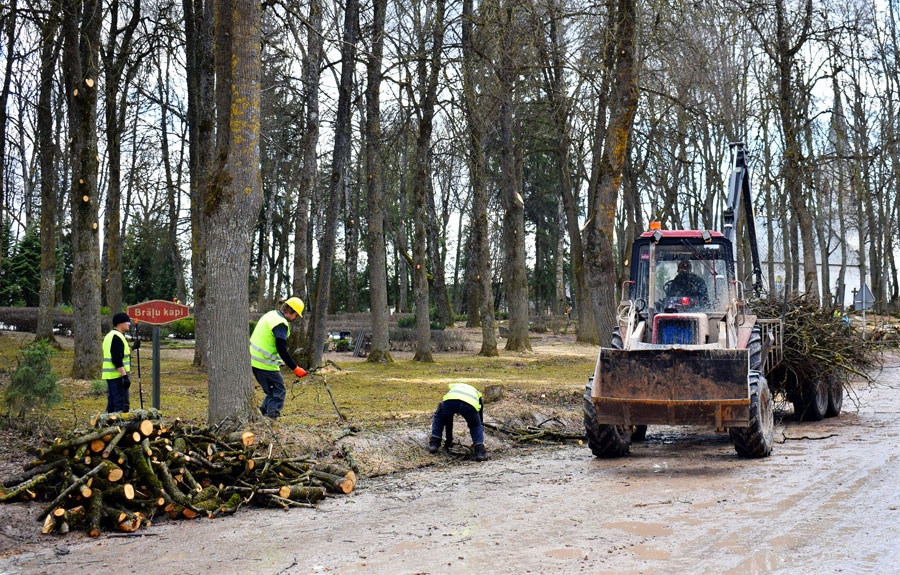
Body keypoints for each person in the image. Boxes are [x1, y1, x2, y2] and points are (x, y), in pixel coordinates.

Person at [249, 297, 309, 419]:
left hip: (254, 361)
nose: (296, 318)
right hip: (265, 365)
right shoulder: (280, 324)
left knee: (272, 391)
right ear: (290, 311)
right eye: (296, 315)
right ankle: (271, 418)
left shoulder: (271, 315)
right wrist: (295, 368)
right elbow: (281, 349)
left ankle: (261, 415)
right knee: (278, 391)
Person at [429, 383, 487, 461]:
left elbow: (448, 420)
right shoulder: (477, 393)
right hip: (469, 405)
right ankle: (479, 451)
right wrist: (480, 424)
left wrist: (448, 440)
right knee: (475, 426)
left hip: (450, 402)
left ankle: (434, 443)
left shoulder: (453, 389)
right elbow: (479, 415)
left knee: (439, 417)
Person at [102, 312, 132, 413]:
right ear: (120, 323)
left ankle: (108, 424)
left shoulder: (110, 336)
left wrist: (133, 348)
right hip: (117, 376)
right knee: (121, 404)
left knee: (112, 403)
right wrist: (124, 376)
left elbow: (119, 353)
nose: (129, 324)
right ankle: (118, 425)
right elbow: (116, 359)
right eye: (127, 321)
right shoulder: (117, 337)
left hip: (110, 375)